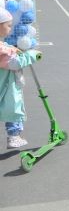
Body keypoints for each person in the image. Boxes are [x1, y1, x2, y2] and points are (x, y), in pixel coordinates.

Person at [0, 8, 41, 149]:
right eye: (8, 25)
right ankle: (14, 137)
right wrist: (31, 55)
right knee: (14, 108)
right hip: (7, 86)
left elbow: (4, 47)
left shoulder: (2, 46)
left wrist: (11, 48)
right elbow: (14, 63)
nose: (10, 29)